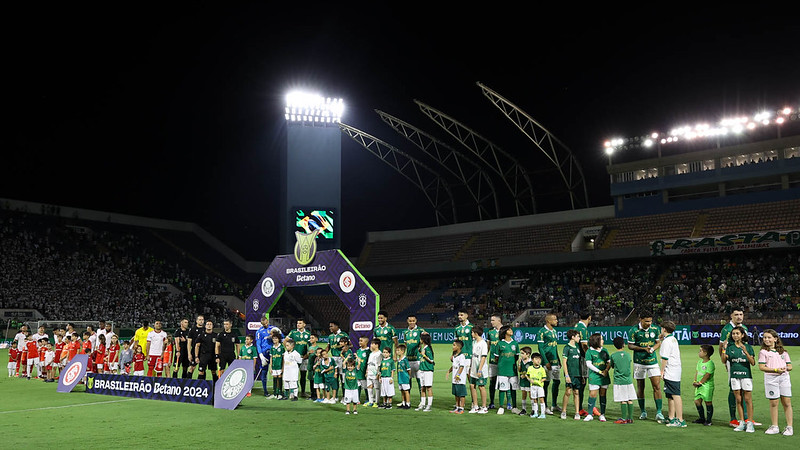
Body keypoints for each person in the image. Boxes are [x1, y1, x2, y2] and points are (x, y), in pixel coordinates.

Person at [628, 310, 664, 422]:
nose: (649, 323)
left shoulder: (655, 329)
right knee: (640, 387)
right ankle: (643, 411)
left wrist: (652, 349)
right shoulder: (633, 330)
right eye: (646, 321)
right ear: (640, 319)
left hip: (652, 362)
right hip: (639, 362)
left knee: (657, 386)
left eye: (650, 321)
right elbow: (630, 346)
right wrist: (643, 348)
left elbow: (658, 342)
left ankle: (659, 412)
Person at [719, 306, 753, 427]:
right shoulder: (726, 329)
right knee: (733, 389)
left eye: (741, 314)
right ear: (731, 316)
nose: (739, 317)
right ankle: (733, 418)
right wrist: (724, 362)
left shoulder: (744, 328)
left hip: (743, 361)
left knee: (745, 389)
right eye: (736, 314)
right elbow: (721, 346)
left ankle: (746, 417)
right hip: (732, 360)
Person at [757, 329, 793, 436]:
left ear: (775, 339)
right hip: (771, 379)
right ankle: (775, 426)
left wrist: (785, 368)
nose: (766, 339)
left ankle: (789, 427)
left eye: (769, 337)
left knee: (786, 402)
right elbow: (762, 367)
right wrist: (776, 370)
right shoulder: (763, 352)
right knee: (774, 403)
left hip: (784, 378)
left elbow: (790, 366)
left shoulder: (784, 352)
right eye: (764, 337)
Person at [659, 320, 686, 428]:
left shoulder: (667, 342)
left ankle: (680, 420)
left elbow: (665, 358)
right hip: (675, 369)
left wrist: (662, 371)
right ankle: (671, 417)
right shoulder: (672, 339)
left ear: (664, 329)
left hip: (671, 371)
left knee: (675, 395)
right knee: (670, 395)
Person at [493, 324, 519, 415]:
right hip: (502, 370)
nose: (511, 331)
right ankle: (501, 407)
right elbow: (496, 357)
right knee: (502, 388)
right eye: (509, 330)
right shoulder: (499, 344)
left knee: (513, 389)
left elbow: (516, 356)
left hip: (512, 370)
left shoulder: (515, 343)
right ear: (504, 332)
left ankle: (514, 407)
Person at [537, 313, 561, 414]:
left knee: (557, 381)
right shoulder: (542, 332)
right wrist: (546, 361)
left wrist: (558, 360)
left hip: (555, 361)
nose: (557, 321)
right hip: (547, 362)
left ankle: (554, 405)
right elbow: (540, 348)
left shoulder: (554, 331)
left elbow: (554, 347)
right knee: (546, 383)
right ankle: (545, 406)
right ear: (548, 321)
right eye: (554, 319)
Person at [584, 333, 610, 422]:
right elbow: (588, 364)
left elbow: (609, 362)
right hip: (594, 376)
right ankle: (590, 414)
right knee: (592, 394)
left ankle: (602, 414)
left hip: (604, 377)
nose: (603, 341)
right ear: (596, 341)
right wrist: (599, 371)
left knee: (603, 395)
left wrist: (606, 370)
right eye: (601, 339)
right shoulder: (589, 351)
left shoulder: (605, 350)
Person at [609, 336, 635, 424]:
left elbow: (612, 366)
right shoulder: (628, 355)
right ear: (624, 344)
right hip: (628, 380)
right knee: (629, 399)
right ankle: (630, 418)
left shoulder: (613, 355)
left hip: (619, 381)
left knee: (623, 400)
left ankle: (623, 419)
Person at [401, 314, 427, 402]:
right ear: (407, 321)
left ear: (416, 321)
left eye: (413, 321)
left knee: (420, 381)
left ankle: (422, 401)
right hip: (408, 360)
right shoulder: (405, 332)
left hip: (418, 360)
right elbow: (405, 345)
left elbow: (426, 340)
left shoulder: (420, 330)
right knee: (408, 381)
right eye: (410, 321)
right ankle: (407, 401)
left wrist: (421, 348)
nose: (411, 322)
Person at [255, 314, 282, 397]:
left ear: (268, 321)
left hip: (274, 352)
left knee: (278, 371)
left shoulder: (273, 329)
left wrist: (278, 334)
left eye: (266, 323)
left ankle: (278, 391)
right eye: (263, 324)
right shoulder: (259, 331)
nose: (265, 325)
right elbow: (258, 343)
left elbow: (281, 337)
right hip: (264, 354)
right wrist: (260, 355)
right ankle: (265, 391)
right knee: (264, 372)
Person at [286, 318, 311, 398]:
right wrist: (289, 351)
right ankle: (292, 392)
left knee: (303, 375)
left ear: (304, 324)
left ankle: (303, 392)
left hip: (304, 357)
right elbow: (285, 341)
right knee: (293, 375)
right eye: (297, 323)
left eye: (300, 323)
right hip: (294, 358)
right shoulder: (293, 332)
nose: (298, 324)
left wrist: (307, 354)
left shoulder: (308, 334)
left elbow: (310, 346)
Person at [574, 310, 591, 417]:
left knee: (580, 383)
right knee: (582, 383)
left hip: (576, 357)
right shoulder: (583, 329)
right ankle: (579, 408)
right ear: (589, 317)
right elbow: (584, 345)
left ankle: (579, 407)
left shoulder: (577, 326)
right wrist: (590, 356)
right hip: (582, 358)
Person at [692, 344, 715, 426]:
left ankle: (708, 420)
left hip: (707, 386)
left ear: (705, 353)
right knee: (697, 401)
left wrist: (700, 382)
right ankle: (702, 418)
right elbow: (697, 372)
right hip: (699, 385)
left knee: (708, 402)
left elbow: (707, 375)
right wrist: (695, 381)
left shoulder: (710, 363)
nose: (699, 352)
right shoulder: (699, 362)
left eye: (700, 351)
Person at [468, 325, 488, 414]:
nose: (471, 334)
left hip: (480, 369)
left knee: (481, 387)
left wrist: (480, 369)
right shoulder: (474, 342)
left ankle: (484, 407)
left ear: (476, 333)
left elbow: (483, 357)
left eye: (472, 332)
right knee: (472, 386)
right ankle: (475, 406)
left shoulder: (483, 343)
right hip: (473, 368)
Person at [486, 314, 502, 409]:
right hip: (492, 361)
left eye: (493, 320)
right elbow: (488, 346)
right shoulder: (490, 332)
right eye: (491, 320)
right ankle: (491, 402)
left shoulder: (505, 331)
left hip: (502, 361)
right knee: (492, 382)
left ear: (499, 320)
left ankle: (508, 403)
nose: (491, 322)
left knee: (504, 382)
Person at [447, 340, 467, 414]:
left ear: (458, 347)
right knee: (456, 393)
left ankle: (461, 408)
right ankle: (457, 406)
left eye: (454, 345)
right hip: (454, 378)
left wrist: (458, 375)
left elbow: (461, 366)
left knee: (461, 393)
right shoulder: (455, 356)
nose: (452, 347)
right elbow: (454, 366)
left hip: (460, 379)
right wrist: (449, 371)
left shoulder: (461, 356)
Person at [326, 321, 348, 388]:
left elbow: (350, 345)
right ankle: (335, 396)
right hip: (333, 358)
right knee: (335, 376)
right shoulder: (330, 336)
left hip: (341, 358)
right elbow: (328, 347)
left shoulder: (343, 334)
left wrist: (345, 348)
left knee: (342, 377)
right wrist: (323, 353)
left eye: (331, 326)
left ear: (337, 326)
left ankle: (344, 396)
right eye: (330, 326)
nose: (330, 328)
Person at [416, 333, 435, 412]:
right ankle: (423, 404)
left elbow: (431, 360)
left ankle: (429, 405)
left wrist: (424, 355)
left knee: (428, 388)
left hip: (428, 371)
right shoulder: (423, 348)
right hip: (422, 370)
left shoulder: (428, 349)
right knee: (422, 388)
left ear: (423, 340)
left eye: (420, 339)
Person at [527, 352, 548, 419]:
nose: (538, 360)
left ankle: (542, 413)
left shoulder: (542, 369)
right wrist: (530, 380)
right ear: (532, 360)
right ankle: (536, 413)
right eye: (536, 359)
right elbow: (527, 375)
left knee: (541, 399)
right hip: (533, 386)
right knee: (534, 399)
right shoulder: (530, 368)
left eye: (539, 359)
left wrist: (539, 381)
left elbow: (544, 378)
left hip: (539, 387)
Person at [366, 338, 382, 407]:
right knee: (369, 387)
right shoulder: (371, 353)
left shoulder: (379, 354)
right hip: (369, 373)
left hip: (375, 373)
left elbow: (379, 365)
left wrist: (378, 374)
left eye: (372, 344)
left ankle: (377, 402)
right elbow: (368, 363)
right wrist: (367, 371)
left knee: (377, 388)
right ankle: (371, 401)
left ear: (377, 345)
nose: (371, 345)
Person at [518, 346, 534, 416]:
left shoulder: (531, 362)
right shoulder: (521, 361)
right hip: (522, 380)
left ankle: (533, 409)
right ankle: (523, 409)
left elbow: (532, 372)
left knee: (531, 395)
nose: (521, 355)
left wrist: (526, 375)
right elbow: (519, 370)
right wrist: (519, 363)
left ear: (528, 354)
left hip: (529, 381)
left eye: (522, 353)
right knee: (523, 394)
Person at [395, 344, 411, 409]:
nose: (396, 352)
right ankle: (403, 403)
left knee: (406, 391)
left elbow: (409, 369)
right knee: (402, 391)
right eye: (396, 350)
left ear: (402, 351)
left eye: (398, 350)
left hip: (404, 378)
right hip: (400, 378)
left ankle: (408, 403)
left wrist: (408, 376)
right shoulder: (399, 360)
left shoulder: (405, 360)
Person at [355, 336, 370, 404]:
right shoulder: (358, 351)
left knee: (366, 386)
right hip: (358, 371)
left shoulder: (368, 351)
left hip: (364, 372)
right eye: (359, 340)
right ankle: (357, 399)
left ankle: (368, 398)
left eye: (361, 341)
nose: (359, 342)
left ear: (366, 342)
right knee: (358, 385)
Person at [270, 332, 285, 399]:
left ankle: (280, 393)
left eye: (276, 338)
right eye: (273, 338)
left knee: (279, 378)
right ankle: (275, 393)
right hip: (274, 366)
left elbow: (283, 358)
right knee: (275, 378)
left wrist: (282, 367)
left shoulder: (281, 347)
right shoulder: (272, 348)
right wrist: (270, 367)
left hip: (279, 366)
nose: (274, 340)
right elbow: (271, 358)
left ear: (279, 339)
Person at [307, 333, 321, 401]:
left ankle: (315, 394)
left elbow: (319, 356)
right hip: (309, 366)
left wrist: (315, 354)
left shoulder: (317, 348)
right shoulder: (309, 347)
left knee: (315, 381)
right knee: (310, 380)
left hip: (315, 367)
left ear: (316, 339)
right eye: (310, 338)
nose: (311, 339)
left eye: (313, 338)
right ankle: (312, 394)